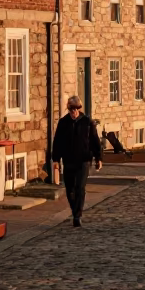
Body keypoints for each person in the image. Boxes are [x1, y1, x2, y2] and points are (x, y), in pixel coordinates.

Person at [51, 96, 102, 227]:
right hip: (68, 159)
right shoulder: (63, 123)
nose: (74, 111)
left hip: (84, 160)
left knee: (80, 187)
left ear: (79, 109)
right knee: (70, 189)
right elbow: (57, 142)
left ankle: (77, 215)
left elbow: (95, 141)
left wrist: (99, 158)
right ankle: (75, 209)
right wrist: (55, 159)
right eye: (71, 109)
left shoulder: (87, 122)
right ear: (68, 109)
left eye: (76, 108)